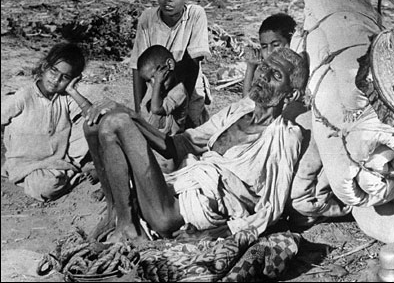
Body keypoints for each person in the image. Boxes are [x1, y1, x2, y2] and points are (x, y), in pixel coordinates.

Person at [85, 47, 309, 243]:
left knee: (117, 122)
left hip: (181, 212)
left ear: (290, 95)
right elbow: (180, 144)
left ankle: (129, 228)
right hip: (177, 186)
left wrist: (217, 233)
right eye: (264, 67)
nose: (263, 75)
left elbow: (273, 207)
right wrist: (132, 115)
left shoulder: (286, 136)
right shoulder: (238, 111)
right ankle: (117, 214)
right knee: (94, 126)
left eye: (275, 75)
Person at [1, 42, 92, 201]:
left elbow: (92, 114)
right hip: (27, 165)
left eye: (65, 77)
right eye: (54, 71)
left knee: (92, 123)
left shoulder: (65, 99)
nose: (56, 79)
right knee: (43, 187)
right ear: (44, 67)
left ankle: (71, 169)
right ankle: (76, 173)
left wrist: (72, 90)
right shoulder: (24, 96)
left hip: (59, 160)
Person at [129, 0, 210, 129]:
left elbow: (193, 62)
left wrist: (183, 105)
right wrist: (138, 110)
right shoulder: (147, 18)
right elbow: (138, 66)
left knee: (192, 129)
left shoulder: (196, 14)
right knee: (151, 124)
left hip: (188, 84)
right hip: (157, 81)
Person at [137, 44, 189, 173]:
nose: (152, 84)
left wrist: (158, 84)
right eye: (148, 81)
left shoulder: (179, 92)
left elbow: (156, 109)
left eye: (155, 78)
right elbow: (144, 113)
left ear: (170, 65)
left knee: (164, 171)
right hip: (149, 143)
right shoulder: (154, 86)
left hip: (167, 148)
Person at [242, 13, 296, 97]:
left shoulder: (297, 71)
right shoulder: (266, 71)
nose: (269, 51)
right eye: (264, 46)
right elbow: (246, 102)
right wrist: (251, 66)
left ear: (290, 43)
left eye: (276, 45)